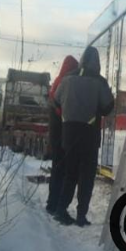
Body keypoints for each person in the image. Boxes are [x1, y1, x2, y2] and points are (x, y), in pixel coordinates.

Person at [53, 46, 114, 226]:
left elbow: (56, 100)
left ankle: (61, 210)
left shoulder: (67, 78)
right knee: (86, 177)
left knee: (69, 173)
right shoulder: (99, 81)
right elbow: (108, 107)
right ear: (97, 62)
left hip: (68, 133)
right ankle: (81, 215)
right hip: (89, 135)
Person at [45, 55, 79, 214]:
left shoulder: (57, 82)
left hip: (55, 134)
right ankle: (54, 205)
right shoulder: (64, 84)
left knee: (57, 170)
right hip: (61, 134)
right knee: (61, 171)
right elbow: (62, 109)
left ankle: (52, 203)